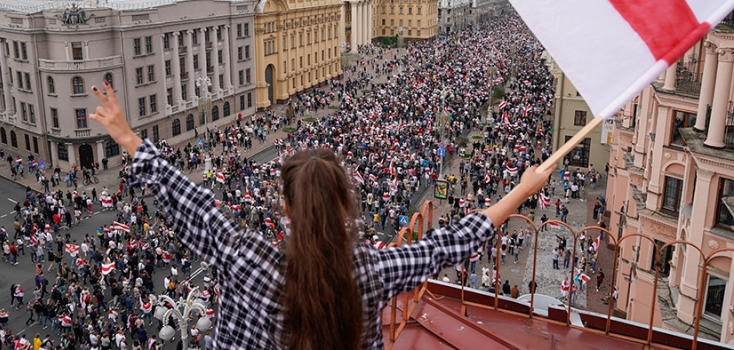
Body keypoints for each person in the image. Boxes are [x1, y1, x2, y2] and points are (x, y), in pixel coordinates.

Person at [89, 79, 555, 349]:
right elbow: (450, 243)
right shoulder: (370, 270)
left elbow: (187, 200)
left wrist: (129, 138)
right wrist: (521, 189)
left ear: (286, 207)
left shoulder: (245, 256)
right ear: (344, 204)